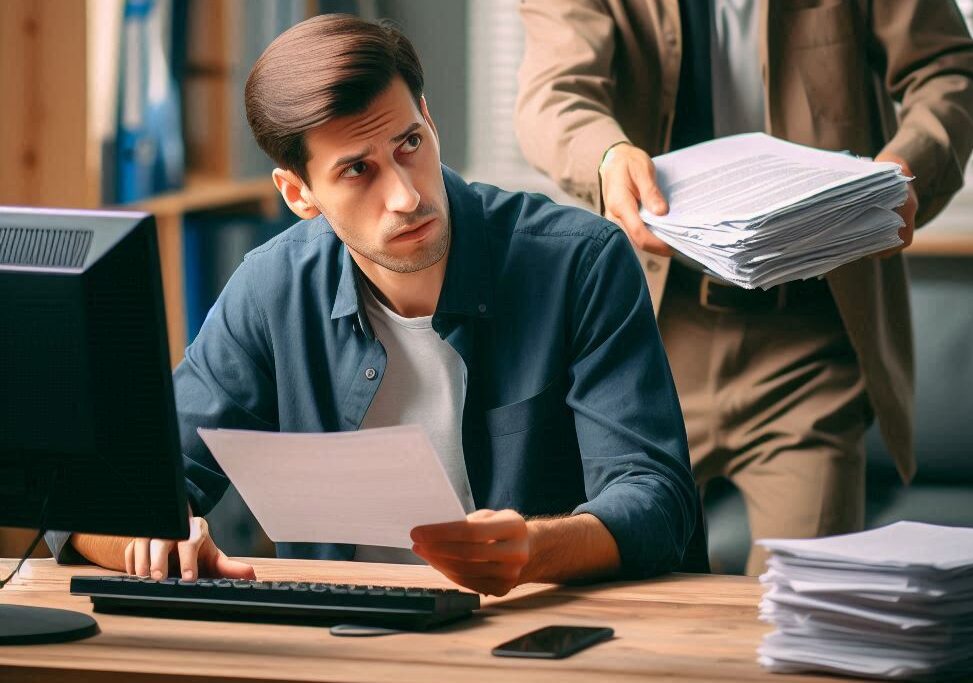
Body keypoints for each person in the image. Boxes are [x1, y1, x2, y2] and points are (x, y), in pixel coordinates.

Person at [45, 14, 700, 596]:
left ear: (429, 119)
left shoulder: (580, 262)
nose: (407, 196)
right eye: (358, 170)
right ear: (298, 193)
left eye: (410, 145)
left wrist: (534, 548)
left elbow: (657, 500)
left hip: (530, 638)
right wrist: (155, 536)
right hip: (339, 647)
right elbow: (97, 495)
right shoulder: (271, 287)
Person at [516, 0, 973, 574]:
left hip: (809, 340)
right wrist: (607, 156)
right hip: (648, 342)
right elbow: (554, 95)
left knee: (806, 614)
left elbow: (952, 70)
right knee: (624, 597)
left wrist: (908, 164)